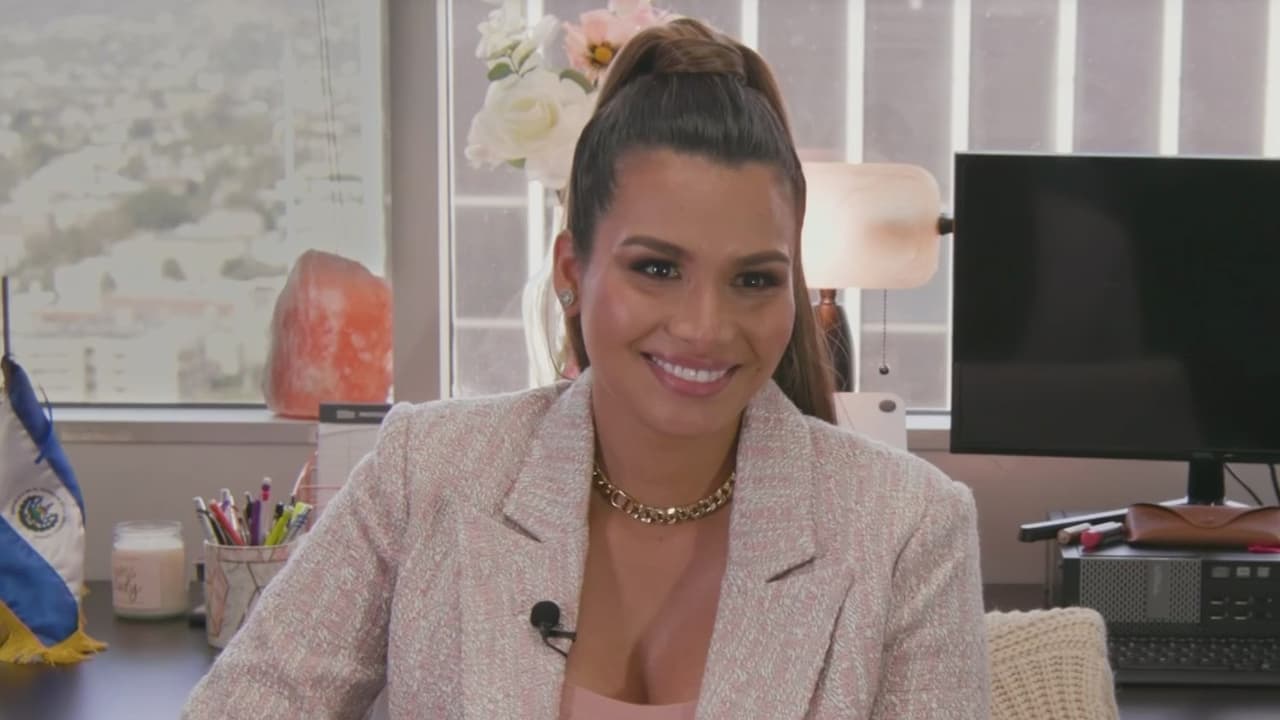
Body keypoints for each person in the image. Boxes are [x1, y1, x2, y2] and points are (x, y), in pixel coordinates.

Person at [183, 18, 987, 720]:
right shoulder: (426, 471)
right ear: (572, 269)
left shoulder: (906, 528)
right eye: (657, 269)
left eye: (753, 280)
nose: (705, 328)